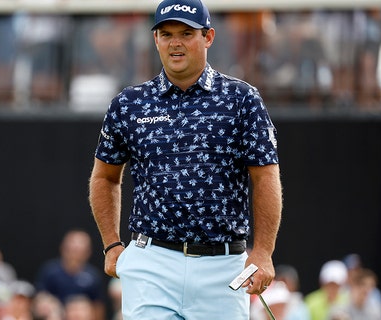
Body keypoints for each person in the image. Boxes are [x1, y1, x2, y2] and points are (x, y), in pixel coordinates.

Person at [88, 0, 283, 318]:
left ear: (208, 37)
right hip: (151, 262)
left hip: (222, 267)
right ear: (156, 40)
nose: (175, 43)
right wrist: (111, 245)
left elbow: (265, 177)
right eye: (166, 34)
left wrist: (263, 252)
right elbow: (104, 177)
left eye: (186, 33)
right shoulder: (129, 104)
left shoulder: (242, 100)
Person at [34, 230, 104, 320]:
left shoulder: (93, 276)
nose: (75, 255)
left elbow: (97, 306)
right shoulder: (50, 271)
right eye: (72, 250)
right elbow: (40, 297)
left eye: (79, 250)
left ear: (88, 252)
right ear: (63, 249)